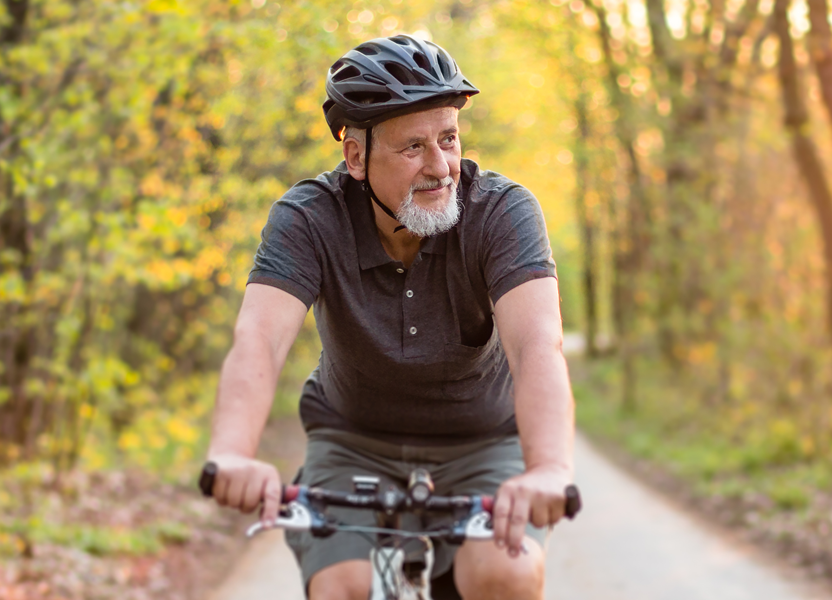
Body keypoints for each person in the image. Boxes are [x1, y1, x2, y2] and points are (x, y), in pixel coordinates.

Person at [201, 35, 574, 600]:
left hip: (483, 442)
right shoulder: (308, 218)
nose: (440, 166)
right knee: (341, 586)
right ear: (355, 156)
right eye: (413, 147)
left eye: (448, 139)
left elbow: (536, 346)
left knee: (506, 576)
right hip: (354, 440)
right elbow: (259, 339)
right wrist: (232, 451)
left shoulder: (502, 211)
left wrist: (547, 467)